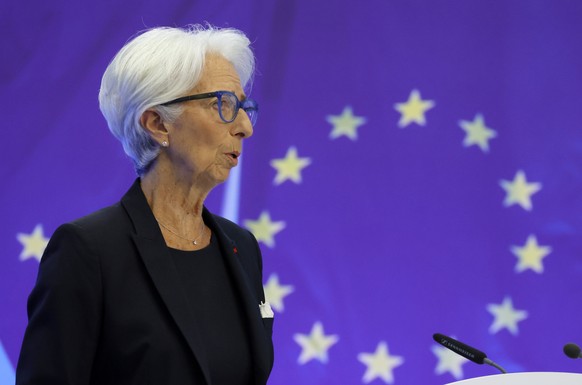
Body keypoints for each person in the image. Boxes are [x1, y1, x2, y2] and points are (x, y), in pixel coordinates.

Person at [16, 25, 274, 385]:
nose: (245, 126)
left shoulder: (241, 247)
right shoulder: (89, 251)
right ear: (157, 124)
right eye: (224, 105)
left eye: (244, 107)